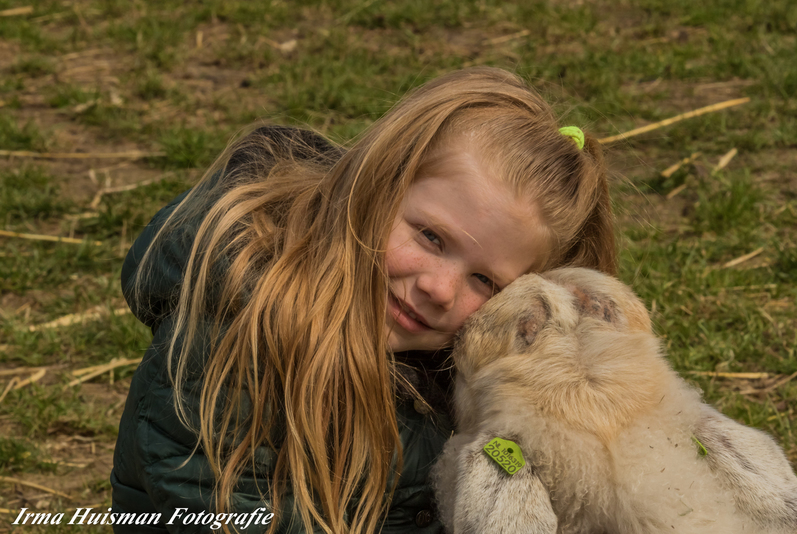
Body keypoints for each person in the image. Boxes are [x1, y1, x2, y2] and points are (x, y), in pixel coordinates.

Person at [110, 67, 617, 534]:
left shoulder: (479, 358)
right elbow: (214, 508)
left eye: (485, 281)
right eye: (431, 238)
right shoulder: (245, 322)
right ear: (377, 182)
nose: (439, 289)